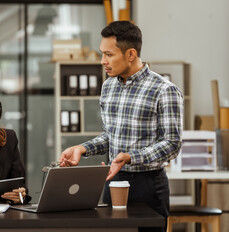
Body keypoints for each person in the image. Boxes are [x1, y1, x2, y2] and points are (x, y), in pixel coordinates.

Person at [59, 21, 183, 232]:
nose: (102, 61)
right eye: (102, 54)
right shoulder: (108, 87)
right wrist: (83, 149)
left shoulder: (164, 90)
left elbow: (172, 144)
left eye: (109, 54)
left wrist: (131, 157)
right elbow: (110, 134)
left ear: (131, 54)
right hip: (112, 181)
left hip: (149, 185)